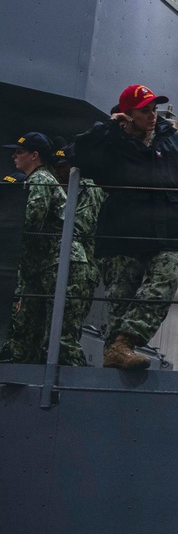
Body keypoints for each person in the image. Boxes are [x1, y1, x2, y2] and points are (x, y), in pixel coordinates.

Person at [73, 84, 178, 370]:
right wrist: (109, 127)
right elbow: (76, 153)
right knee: (120, 301)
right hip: (123, 233)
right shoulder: (111, 142)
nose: (152, 115)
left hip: (171, 232)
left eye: (154, 109)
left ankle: (124, 344)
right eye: (144, 111)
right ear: (127, 114)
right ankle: (115, 364)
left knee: (164, 282)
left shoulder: (174, 141)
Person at [0, 132, 85, 365]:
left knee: (62, 337)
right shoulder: (34, 180)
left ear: (34, 155)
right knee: (25, 332)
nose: (14, 156)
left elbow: (30, 221)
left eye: (20, 152)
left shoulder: (42, 180)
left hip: (58, 262)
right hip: (40, 265)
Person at [51, 143, 107, 366]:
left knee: (66, 331)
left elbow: (82, 226)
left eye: (62, 167)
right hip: (57, 264)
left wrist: (51, 222)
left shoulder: (88, 189)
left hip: (80, 266)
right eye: (55, 167)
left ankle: (75, 373)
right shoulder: (59, 191)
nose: (57, 172)